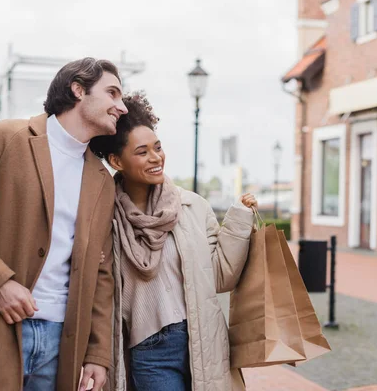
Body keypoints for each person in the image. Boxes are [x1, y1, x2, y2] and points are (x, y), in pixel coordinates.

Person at [0, 57, 128, 391]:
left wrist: (98, 353)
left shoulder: (101, 179)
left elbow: (101, 273)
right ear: (78, 90)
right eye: (113, 93)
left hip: (61, 343)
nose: (122, 107)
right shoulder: (3, 139)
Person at [89, 91, 256, 391]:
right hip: (149, 352)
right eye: (142, 152)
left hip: (202, 342)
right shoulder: (104, 219)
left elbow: (219, 276)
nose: (156, 158)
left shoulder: (191, 206)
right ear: (116, 160)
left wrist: (240, 221)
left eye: (158, 147)